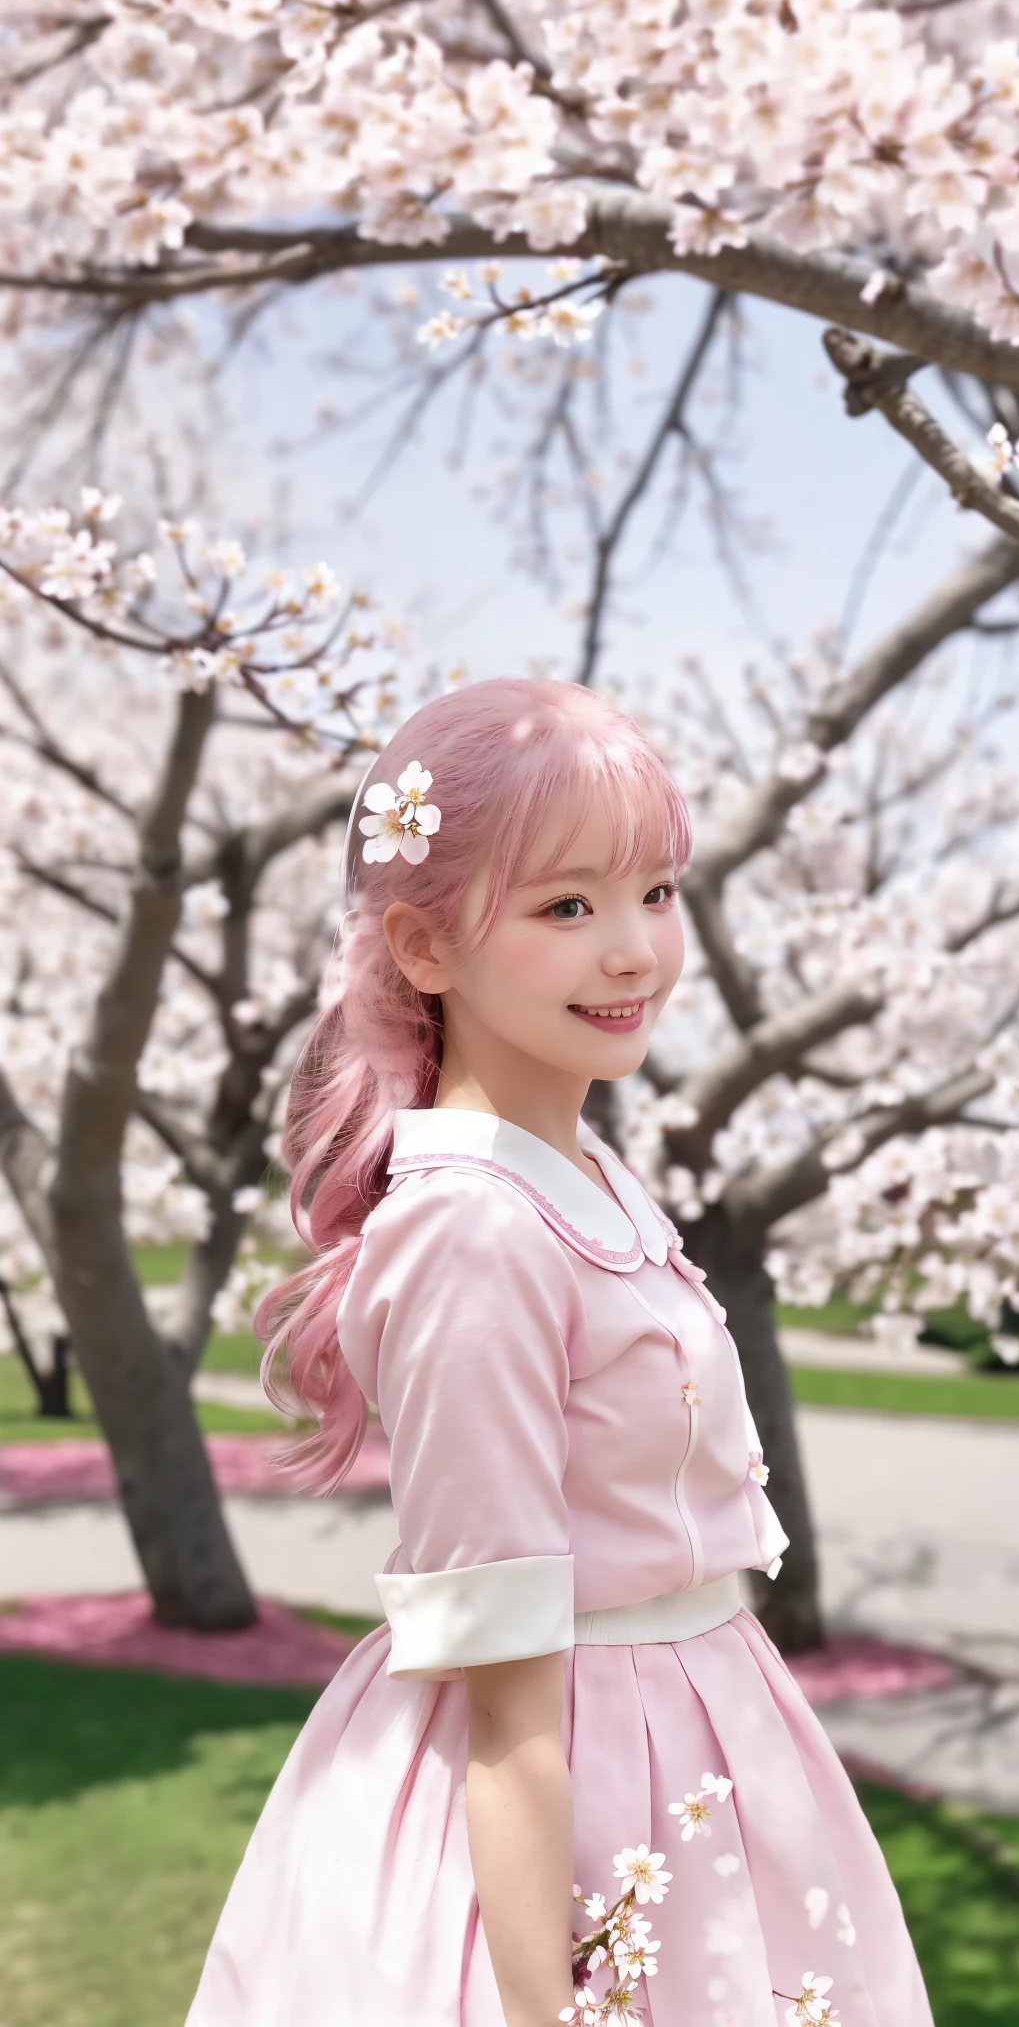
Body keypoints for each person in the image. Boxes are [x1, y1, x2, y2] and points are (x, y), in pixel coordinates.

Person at [186, 678, 934, 2027]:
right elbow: (510, 1686)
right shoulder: (474, 1229)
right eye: (568, 907)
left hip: (698, 1738)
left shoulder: (581, 1171)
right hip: (580, 1782)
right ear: (423, 946)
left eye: (656, 892)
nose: (637, 950)